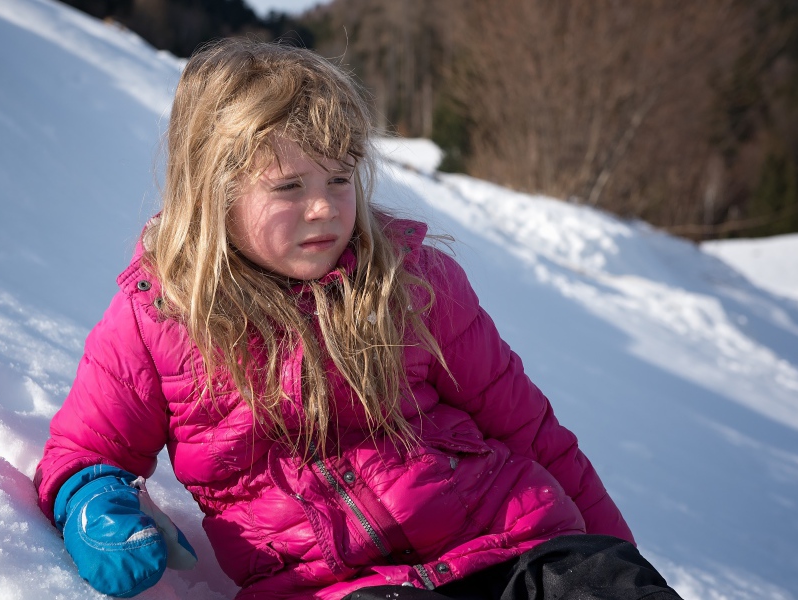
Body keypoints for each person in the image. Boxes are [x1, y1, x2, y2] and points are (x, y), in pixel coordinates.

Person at [34, 38, 681, 600]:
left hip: (516, 542)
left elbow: (530, 429)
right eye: (289, 188)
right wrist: (95, 503)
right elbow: (88, 449)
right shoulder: (163, 319)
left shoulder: (414, 282)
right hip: (333, 588)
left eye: (339, 181)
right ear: (215, 191)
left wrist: (613, 550)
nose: (323, 209)